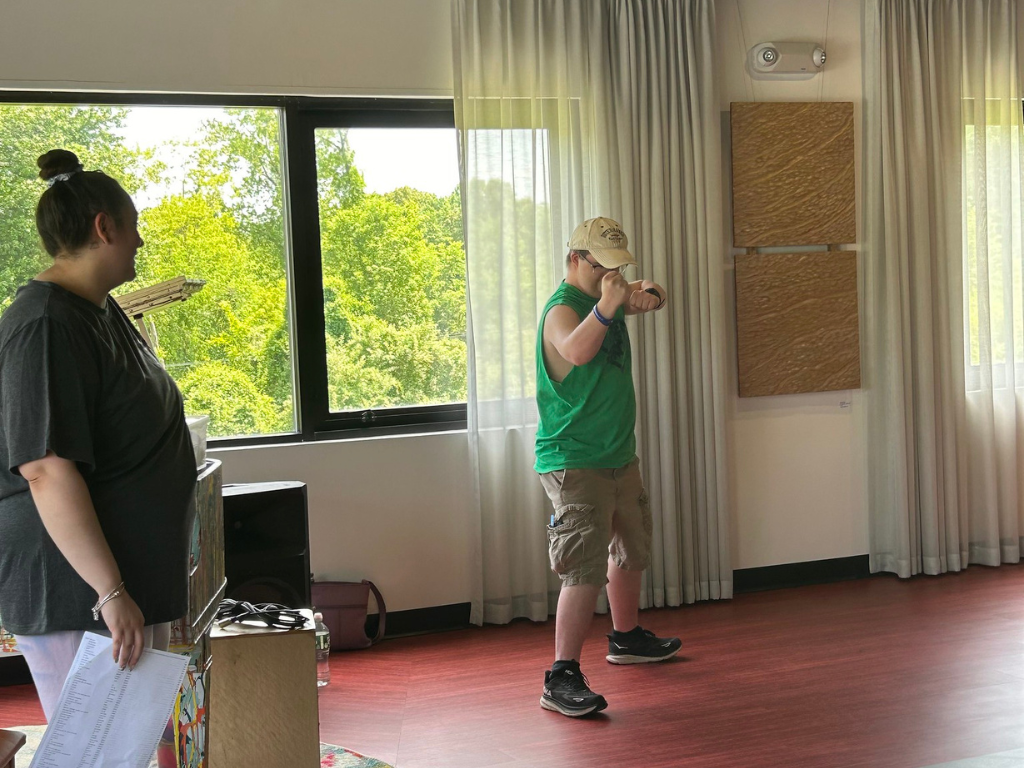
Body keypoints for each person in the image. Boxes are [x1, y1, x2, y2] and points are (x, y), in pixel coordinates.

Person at [0, 149, 197, 726]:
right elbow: (45, 469)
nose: (139, 241)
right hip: (75, 587)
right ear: (103, 227)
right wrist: (110, 592)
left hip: (116, 578)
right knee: (94, 749)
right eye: (132, 226)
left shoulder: (96, 309)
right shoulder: (43, 326)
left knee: (124, 745)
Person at [536, 216, 681, 717]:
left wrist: (651, 296)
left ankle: (625, 638)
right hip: (574, 459)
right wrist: (610, 304)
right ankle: (561, 677)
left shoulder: (608, 295)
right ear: (577, 259)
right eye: (604, 267)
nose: (612, 277)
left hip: (620, 454)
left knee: (632, 546)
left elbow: (653, 290)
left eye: (618, 268)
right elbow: (575, 350)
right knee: (582, 567)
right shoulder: (562, 310)